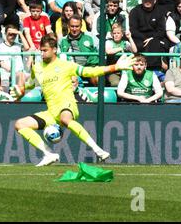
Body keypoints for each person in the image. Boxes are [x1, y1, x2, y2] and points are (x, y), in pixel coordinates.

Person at [12, 34, 136, 166]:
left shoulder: (66, 65)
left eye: (45, 50)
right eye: (41, 50)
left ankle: (98, 150)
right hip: (51, 112)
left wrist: (115, 67)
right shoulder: (37, 67)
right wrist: (21, 91)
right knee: (20, 124)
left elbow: (90, 72)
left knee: (65, 119)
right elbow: (31, 84)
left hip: (67, 105)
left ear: (54, 50)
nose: (41, 53)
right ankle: (48, 154)